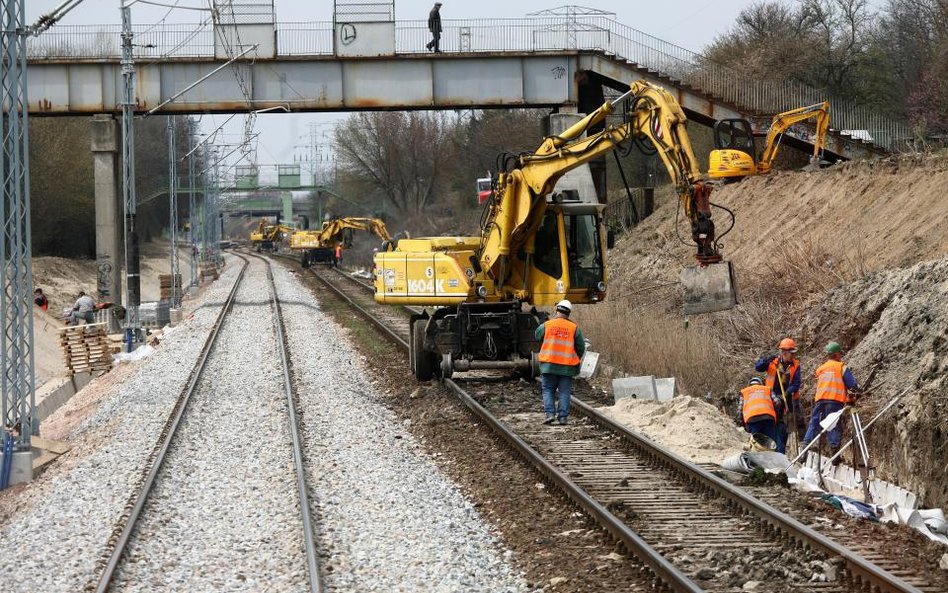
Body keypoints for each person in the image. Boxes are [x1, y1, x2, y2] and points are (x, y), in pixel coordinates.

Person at [802, 341, 861, 458]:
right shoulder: (841, 367)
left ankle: (805, 447)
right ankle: (835, 454)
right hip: (834, 400)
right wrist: (859, 390)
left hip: (820, 400)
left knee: (814, 423)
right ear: (836, 354)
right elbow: (852, 384)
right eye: (839, 353)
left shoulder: (821, 368)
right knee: (833, 425)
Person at [535, 299, 585, 426]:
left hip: (549, 365)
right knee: (564, 392)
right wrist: (575, 357)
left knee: (548, 390)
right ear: (569, 313)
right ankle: (563, 418)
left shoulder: (547, 325)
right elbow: (581, 347)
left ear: (557, 310)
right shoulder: (574, 328)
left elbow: (537, 336)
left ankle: (550, 414)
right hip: (567, 367)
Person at [755, 338, 802, 453]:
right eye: (791, 353)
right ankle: (772, 451)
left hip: (787, 401)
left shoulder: (795, 365)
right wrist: (766, 359)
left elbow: (796, 383)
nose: (792, 355)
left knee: (783, 427)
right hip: (770, 399)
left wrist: (786, 393)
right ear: (784, 352)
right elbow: (758, 367)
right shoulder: (773, 362)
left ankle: (781, 452)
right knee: (773, 425)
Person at [737, 377, 781, 447]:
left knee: (757, 444)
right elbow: (777, 402)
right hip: (768, 418)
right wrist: (776, 414)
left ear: (749, 384)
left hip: (752, 420)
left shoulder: (744, 392)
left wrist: (742, 424)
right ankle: (771, 456)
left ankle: (759, 456)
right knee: (771, 444)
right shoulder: (767, 389)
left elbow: (739, 411)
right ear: (760, 383)